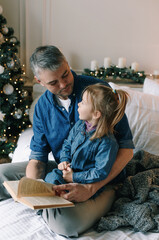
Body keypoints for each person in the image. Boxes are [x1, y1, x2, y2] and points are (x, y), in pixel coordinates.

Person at [0, 45, 134, 237]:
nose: (63, 84)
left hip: (102, 177)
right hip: (66, 168)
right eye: (54, 82)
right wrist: (33, 187)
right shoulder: (41, 108)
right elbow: (38, 158)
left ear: (67, 64)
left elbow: (127, 150)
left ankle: (64, 205)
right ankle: (49, 200)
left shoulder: (97, 92)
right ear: (39, 81)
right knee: (1, 174)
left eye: (65, 74)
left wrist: (90, 188)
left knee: (66, 224)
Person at [45, 84, 129, 196]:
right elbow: (67, 144)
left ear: (96, 114)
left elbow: (100, 172)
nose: (78, 104)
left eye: (83, 102)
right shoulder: (80, 125)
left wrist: (74, 177)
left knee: (75, 193)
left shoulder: (107, 142)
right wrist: (64, 161)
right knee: (51, 177)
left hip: (89, 180)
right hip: (72, 170)